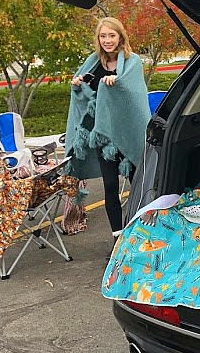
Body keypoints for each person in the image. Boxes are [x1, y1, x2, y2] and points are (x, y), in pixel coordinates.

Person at [64, 17, 151, 247]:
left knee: (139, 184)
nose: (107, 40)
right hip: (104, 137)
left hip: (127, 133)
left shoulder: (132, 63)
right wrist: (78, 86)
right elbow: (85, 99)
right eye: (103, 36)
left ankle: (144, 233)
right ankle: (117, 239)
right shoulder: (92, 63)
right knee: (110, 187)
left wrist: (117, 82)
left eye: (112, 35)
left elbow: (133, 96)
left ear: (120, 37)